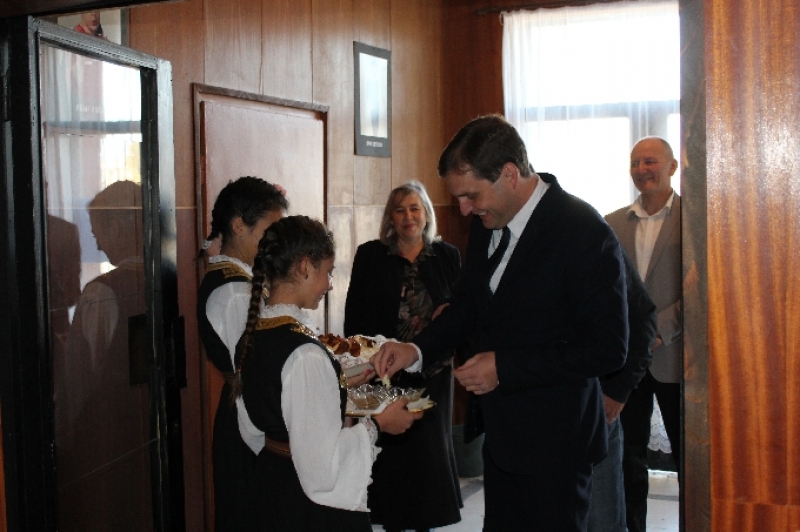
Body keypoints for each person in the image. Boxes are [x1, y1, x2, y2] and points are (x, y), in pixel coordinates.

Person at [372, 114, 629, 531]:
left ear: (509, 174)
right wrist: (415, 349)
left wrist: (504, 367)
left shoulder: (582, 231)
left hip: (556, 443)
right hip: (503, 437)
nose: (463, 209)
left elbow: (607, 347)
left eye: (470, 195)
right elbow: (468, 305)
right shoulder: (488, 221)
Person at [233, 215, 422, 532]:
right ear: (304, 267)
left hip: (272, 486)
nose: (330, 284)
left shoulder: (252, 337)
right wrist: (379, 424)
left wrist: (338, 385)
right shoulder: (305, 354)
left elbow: (251, 429)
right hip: (310, 508)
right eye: (328, 272)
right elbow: (323, 471)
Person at [344, 181, 463, 532]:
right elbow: (354, 315)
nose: (408, 216)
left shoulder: (447, 256)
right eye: (400, 210)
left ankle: (426, 524)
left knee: (428, 457)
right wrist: (359, 366)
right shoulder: (370, 255)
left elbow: (463, 310)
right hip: (384, 373)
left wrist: (449, 311)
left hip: (433, 371)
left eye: (414, 208)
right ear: (390, 218)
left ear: (426, 214)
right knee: (392, 457)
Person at [197, 176, 287, 532]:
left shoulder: (242, 279)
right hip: (246, 423)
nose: (275, 241)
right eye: (269, 230)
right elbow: (249, 375)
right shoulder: (234, 292)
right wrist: (261, 446)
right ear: (238, 225)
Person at [605, 137, 682, 532]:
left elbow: (702, 288)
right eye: (635, 163)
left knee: (689, 459)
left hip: (676, 358)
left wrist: (658, 329)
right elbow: (604, 290)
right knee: (627, 460)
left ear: (672, 167)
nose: (641, 169)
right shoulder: (612, 223)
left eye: (650, 161)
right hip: (626, 360)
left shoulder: (695, 218)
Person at [588, 250, 657, 532]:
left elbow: (643, 318)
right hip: (534, 415)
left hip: (596, 407)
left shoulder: (592, 238)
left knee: (604, 518)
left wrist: (618, 391)